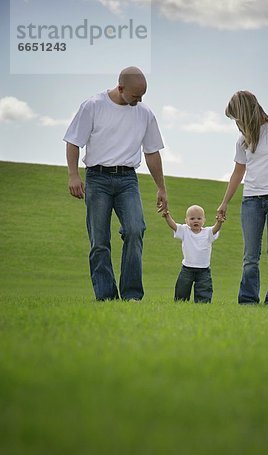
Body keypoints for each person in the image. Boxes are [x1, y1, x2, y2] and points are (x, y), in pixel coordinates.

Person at [64, 66, 167, 301]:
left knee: (135, 229)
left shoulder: (145, 113)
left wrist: (161, 187)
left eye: (142, 96)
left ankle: (132, 295)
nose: (139, 101)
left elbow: (152, 152)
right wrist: (73, 175)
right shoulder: (93, 106)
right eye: (135, 96)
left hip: (127, 179)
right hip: (97, 178)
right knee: (99, 241)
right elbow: (73, 141)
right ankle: (106, 296)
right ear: (120, 88)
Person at [217, 90, 268, 306]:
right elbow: (238, 172)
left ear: (246, 112)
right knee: (250, 256)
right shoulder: (243, 140)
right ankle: (248, 299)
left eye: (237, 117)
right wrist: (224, 202)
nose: (236, 122)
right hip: (251, 200)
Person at [161, 204, 224, 303]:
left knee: (204, 292)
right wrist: (167, 216)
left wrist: (219, 222)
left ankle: (202, 304)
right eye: (192, 218)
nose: (196, 221)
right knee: (181, 291)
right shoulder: (185, 230)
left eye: (199, 218)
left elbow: (216, 229)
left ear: (204, 220)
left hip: (204, 270)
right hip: (187, 268)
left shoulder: (207, 232)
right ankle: (180, 303)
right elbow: (174, 226)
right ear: (186, 221)